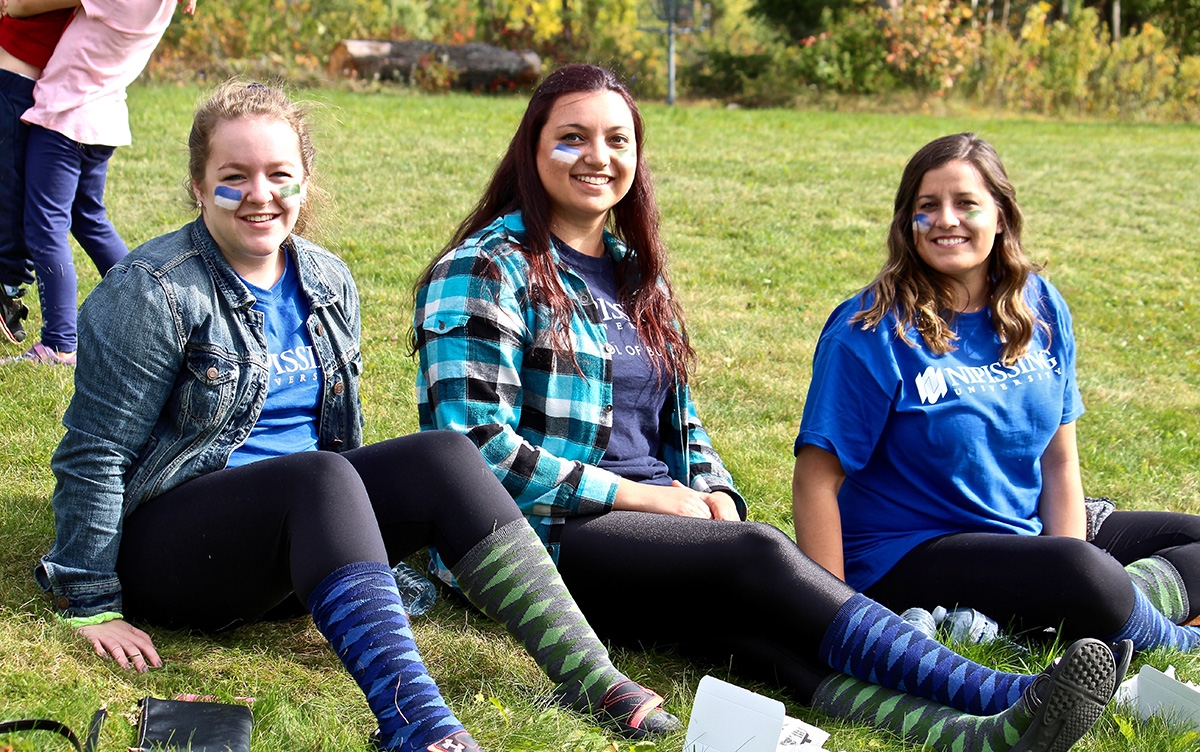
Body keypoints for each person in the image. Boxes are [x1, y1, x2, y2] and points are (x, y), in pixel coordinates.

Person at [412, 64, 1124, 752]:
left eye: (617, 140)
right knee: (758, 558)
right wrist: (650, 500)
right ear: (532, 149)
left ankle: (974, 735)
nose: (597, 156)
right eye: (572, 137)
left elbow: (681, 424)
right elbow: (475, 452)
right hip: (547, 534)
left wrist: (715, 489)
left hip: (654, 524)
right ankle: (993, 692)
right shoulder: (485, 267)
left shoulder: (637, 274)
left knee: (755, 633)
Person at [36, 81, 682, 752]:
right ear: (199, 187)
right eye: (234, 177)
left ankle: (587, 675)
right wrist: (91, 602)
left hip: (291, 550)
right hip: (175, 554)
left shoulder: (325, 278)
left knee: (443, 455)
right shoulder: (155, 290)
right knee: (316, 475)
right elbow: (95, 452)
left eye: (280, 175)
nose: (261, 195)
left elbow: (341, 442)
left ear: (305, 182)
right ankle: (415, 725)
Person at [792, 132, 1200, 657]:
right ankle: (1173, 637)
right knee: (1081, 571)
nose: (945, 219)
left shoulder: (1040, 307)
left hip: (1022, 536)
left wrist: (1063, 563)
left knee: (1145, 551)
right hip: (907, 551)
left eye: (966, 203)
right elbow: (815, 479)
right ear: (906, 221)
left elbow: (1059, 460)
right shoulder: (868, 330)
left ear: (1001, 215)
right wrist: (837, 614)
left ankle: (1076, 606)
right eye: (927, 206)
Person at [0, 0, 209, 364]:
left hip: (64, 118)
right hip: (104, 118)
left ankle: (60, 343)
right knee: (88, 220)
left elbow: (25, 4)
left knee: (45, 228)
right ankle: (156, 308)